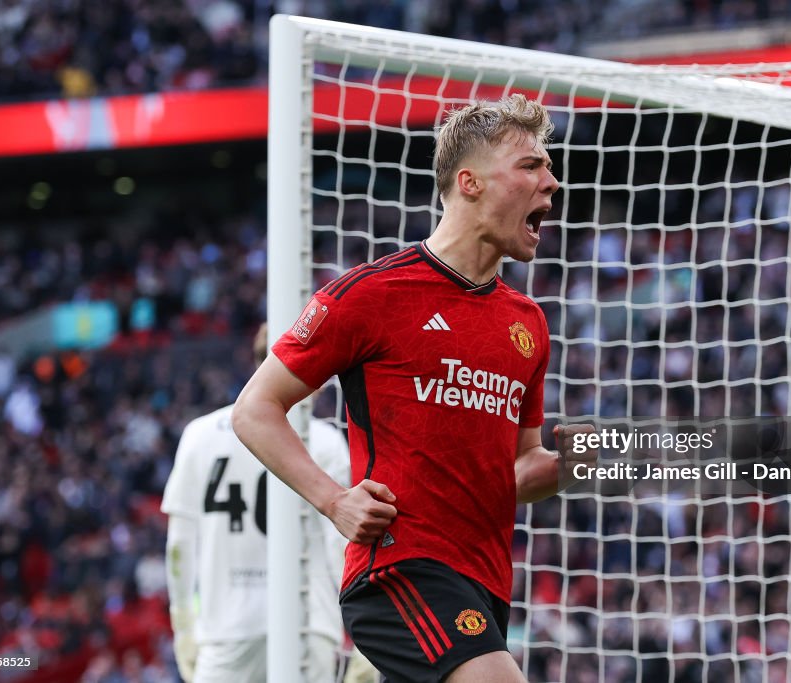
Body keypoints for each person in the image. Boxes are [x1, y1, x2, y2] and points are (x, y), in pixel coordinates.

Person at [232, 94, 597, 683]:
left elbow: (521, 470)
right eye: (531, 166)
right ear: (470, 182)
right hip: (398, 570)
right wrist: (334, 500)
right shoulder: (371, 294)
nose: (551, 183)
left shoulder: (527, 323)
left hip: (484, 585)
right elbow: (255, 409)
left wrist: (592, 461)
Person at [163, 324, 357, 682]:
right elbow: (341, 547)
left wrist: (183, 624)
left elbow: (179, 544)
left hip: (226, 629)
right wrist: (361, 636)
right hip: (308, 622)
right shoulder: (325, 441)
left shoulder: (199, 435)